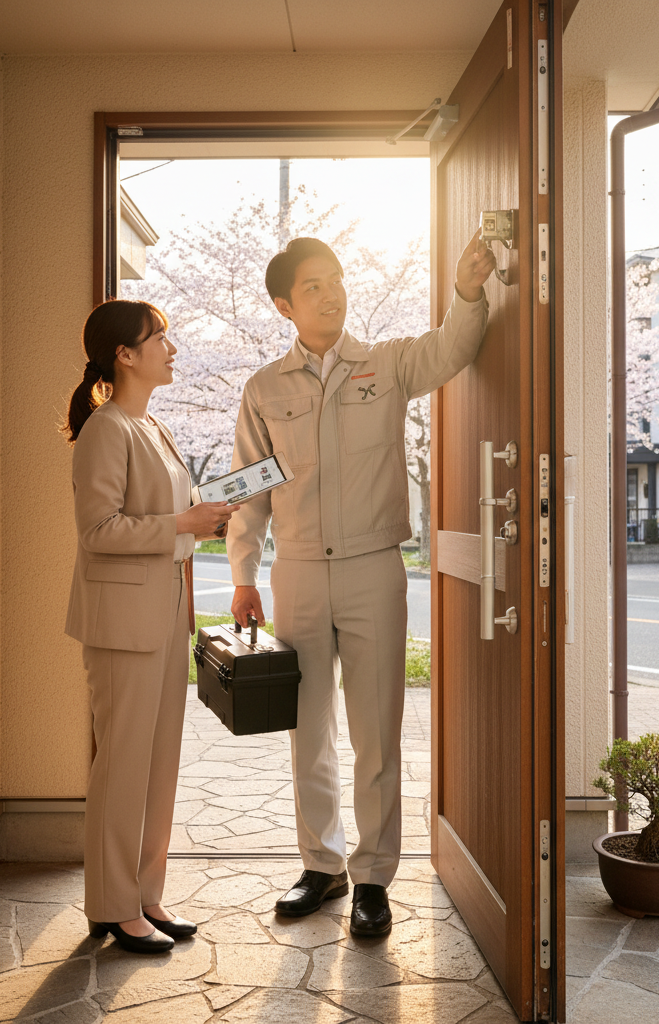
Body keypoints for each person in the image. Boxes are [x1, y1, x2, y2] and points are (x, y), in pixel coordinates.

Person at [227, 232, 496, 935]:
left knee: (377, 730)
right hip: (300, 573)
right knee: (307, 729)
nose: (330, 292)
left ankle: (374, 876)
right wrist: (243, 575)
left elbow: (451, 348)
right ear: (285, 304)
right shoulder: (262, 388)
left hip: (376, 567)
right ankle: (322, 866)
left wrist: (468, 290)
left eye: (336, 278)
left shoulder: (386, 364)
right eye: (312, 286)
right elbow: (250, 488)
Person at [64, 300, 239, 954]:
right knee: (123, 766)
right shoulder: (107, 429)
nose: (172, 346)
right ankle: (113, 906)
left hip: (166, 619)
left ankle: (145, 895)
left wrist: (206, 516)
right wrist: (181, 526)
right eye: (158, 337)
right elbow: (98, 531)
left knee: (158, 763)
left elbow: (174, 523)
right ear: (124, 356)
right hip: (124, 627)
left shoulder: (154, 427)